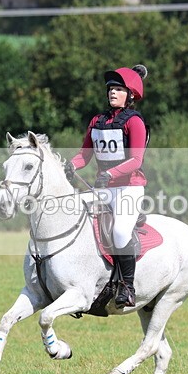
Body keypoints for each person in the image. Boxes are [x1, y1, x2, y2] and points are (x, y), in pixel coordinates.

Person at [64, 64, 149, 308]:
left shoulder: (134, 122)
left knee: (120, 232)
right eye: (111, 88)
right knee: (70, 210)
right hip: (103, 189)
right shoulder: (97, 121)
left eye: (119, 89)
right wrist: (69, 165)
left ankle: (127, 287)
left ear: (130, 95)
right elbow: (84, 155)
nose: (112, 92)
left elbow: (136, 160)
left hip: (129, 188)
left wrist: (110, 173)